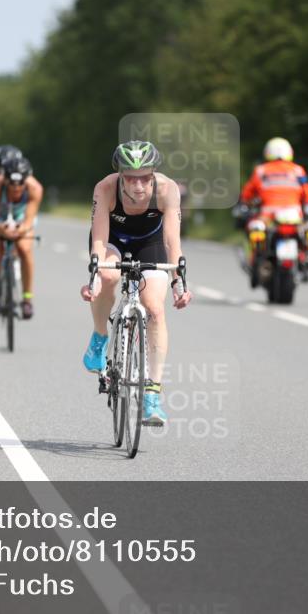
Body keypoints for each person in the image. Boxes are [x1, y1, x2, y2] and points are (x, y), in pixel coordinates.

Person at [80, 140, 192, 426]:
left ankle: (152, 394)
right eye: (131, 177)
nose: (139, 184)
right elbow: (99, 239)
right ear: (120, 175)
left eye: (145, 176)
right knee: (108, 275)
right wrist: (93, 277)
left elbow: (172, 242)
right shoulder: (105, 188)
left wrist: (178, 282)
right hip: (112, 241)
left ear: (154, 173)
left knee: (154, 309)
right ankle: (99, 337)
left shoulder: (167, 190)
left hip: (150, 243)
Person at [239, 137, 308, 275]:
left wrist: (246, 203)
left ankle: (257, 260)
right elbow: (307, 194)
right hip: (295, 216)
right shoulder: (298, 170)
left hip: (268, 217)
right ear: (289, 152)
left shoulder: (261, 171)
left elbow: (247, 194)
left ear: (267, 152)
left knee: (253, 229)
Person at [0, 156, 43, 319]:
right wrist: (0, 230)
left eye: (20, 186)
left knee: (24, 248)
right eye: (11, 186)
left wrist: (20, 230)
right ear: (5, 180)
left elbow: (29, 221)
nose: (16, 190)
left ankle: (27, 299)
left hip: (21, 221)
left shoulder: (35, 188)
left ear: (26, 180)